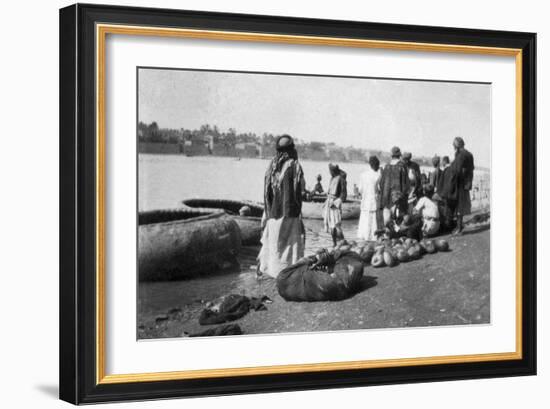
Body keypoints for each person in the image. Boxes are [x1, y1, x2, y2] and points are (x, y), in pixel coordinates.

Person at [258, 135, 306, 278]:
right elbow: (300, 189)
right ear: (292, 149)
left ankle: (273, 272)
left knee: (275, 246)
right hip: (290, 213)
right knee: (290, 246)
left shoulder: (272, 166)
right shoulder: (294, 165)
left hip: (273, 213)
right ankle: (287, 273)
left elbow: (267, 192)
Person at [449, 136, 475, 235]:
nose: (453, 147)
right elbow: (471, 169)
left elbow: (457, 170)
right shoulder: (469, 154)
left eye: (453, 145)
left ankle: (459, 228)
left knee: (459, 206)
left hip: (460, 183)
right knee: (462, 205)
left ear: (456, 145)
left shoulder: (460, 154)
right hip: (466, 183)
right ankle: (459, 226)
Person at [379, 146, 409, 227]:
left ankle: (387, 236)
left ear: (391, 155)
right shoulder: (403, 166)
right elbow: (406, 186)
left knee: (387, 223)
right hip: (398, 200)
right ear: (399, 155)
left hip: (386, 200)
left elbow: (381, 184)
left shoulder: (386, 166)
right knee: (398, 224)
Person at [357, 155, 381, 241]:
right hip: (373, 202)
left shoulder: (363, 175)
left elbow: (360, 190)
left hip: (365, 202)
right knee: (373, 222)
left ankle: (364, 238)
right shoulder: (378, 175)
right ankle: (372, 238)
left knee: (364, 221)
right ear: (376, 165)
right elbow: (379, 189)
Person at [323, 163, 347, 245]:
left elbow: (343, 195)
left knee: (336, 225)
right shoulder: (332, 179)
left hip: (335, 205)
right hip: (329, 204)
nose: (330, 172)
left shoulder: (341, 179)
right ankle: (334, 244)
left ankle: (342, 243)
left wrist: (336, 203)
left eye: (331, 171)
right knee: (331, 227)